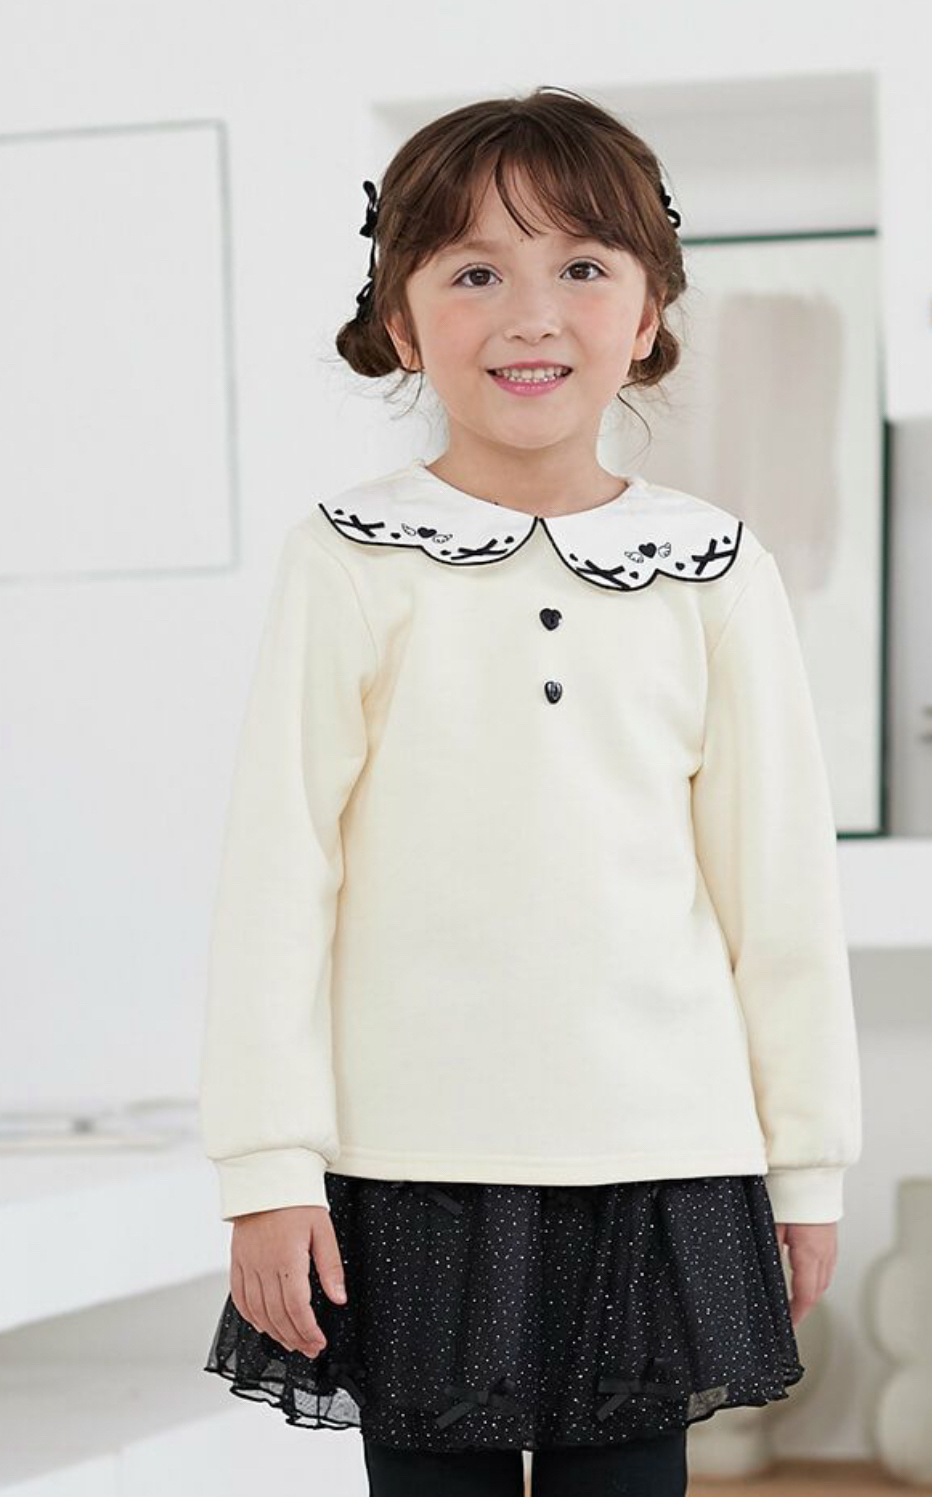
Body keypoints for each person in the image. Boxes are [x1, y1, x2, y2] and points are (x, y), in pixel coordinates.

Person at [199, 85, 862, 1497]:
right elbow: (278, 874)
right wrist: (266, 1165)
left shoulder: (715, 569)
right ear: (401, 320)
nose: (531, 315)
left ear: (649, 311)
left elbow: (781, 897)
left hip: (660, 1160)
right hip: (410, 1161)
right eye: (475, 273)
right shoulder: (352, 557)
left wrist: (805, 1166)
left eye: (582, 266)